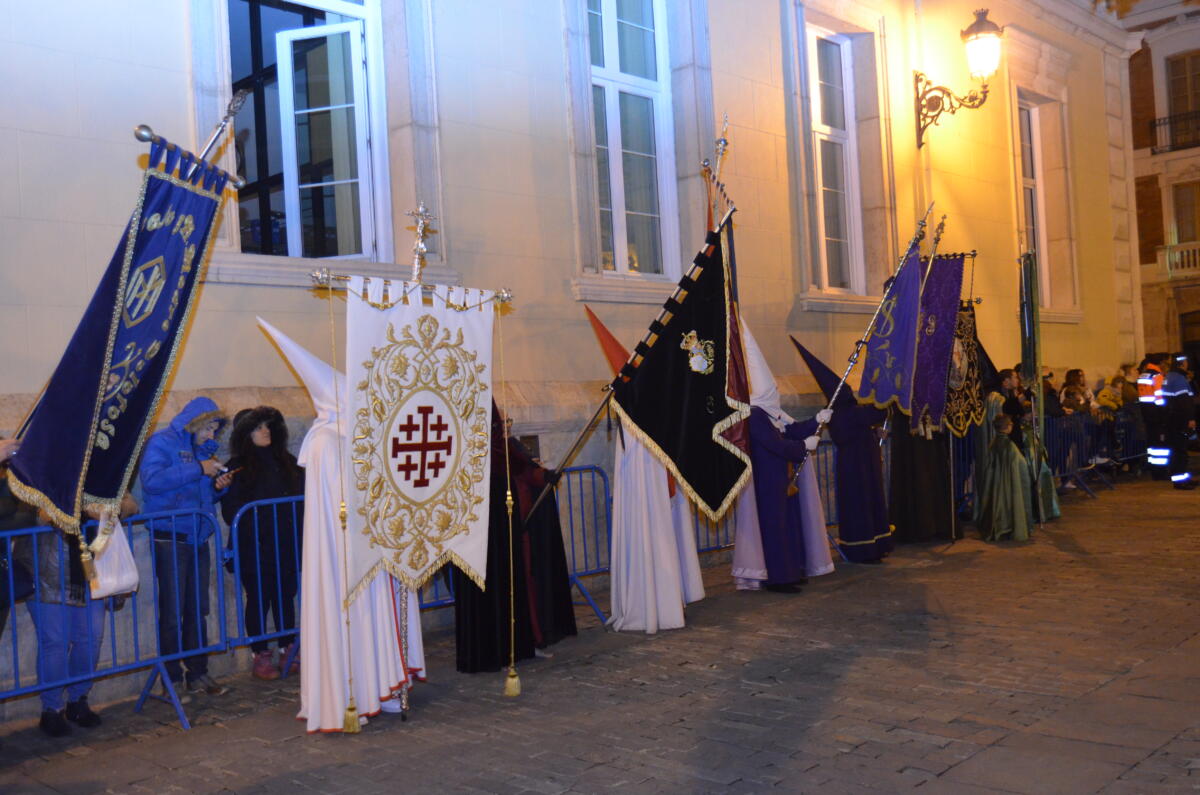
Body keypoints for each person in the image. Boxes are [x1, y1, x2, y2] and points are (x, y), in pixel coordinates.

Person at [259, 319, 423, 732]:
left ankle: (382, 688)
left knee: (377, 618)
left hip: (372, 542)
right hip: (346, 548)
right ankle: (354, 694)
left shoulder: (356, 433)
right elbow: (343, 500)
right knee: (354, 619)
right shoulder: (324, 441)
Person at [139, 397, 233, 702]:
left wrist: (218, 487)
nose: (211, 434)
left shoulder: (203, 452)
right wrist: (197, 469)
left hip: (197, 535)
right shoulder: (162, 443)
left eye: (215, 429)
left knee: (197, 609)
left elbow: (203, 494)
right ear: (194, 423)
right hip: (170, 536)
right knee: (172, 612)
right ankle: (171, 679)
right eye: (207, 428)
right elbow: (152, 481)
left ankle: (197, 672)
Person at [26, 494, 138, 737]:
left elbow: (131, 505)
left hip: (91, 571)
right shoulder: (39, 476)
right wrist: (86, 509)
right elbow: (41, 515)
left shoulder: (101, 477)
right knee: (54, 643)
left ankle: (78, 700)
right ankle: (51, 709)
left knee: (90, 640)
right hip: (49, 573)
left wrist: (109, 509)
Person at [453, 405, 542, 671]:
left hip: (494, 510)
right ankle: (494, 651)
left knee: (504, 577)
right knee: (491, 578)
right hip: (484, 513)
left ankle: (509, 647)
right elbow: (502, 455)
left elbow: (511, 459)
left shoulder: (497, 448)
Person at [220, 406, 304, 680]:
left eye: (268, 425)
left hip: (285, 542)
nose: (265, 431)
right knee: (258, 598)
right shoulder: (237, 467)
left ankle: (287, 648)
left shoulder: (288, 461)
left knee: (285, 595)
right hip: (254, 546)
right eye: (257, 427)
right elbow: (231, 511)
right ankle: (260, 654)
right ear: (246, 434)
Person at [794, 340, 892, 564]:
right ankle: (866, 549)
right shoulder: (848, 412)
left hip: (857, 463)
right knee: (862, 504)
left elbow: (860, 427)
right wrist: (886, 389)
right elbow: (877, 412)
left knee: (864, 503)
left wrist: (874, 431)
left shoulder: (841, 413)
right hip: (858, 466)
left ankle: (872, 546)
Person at [977, 414, 1034, 542]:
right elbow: (1020, 463)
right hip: (1008, 483)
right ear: (1008, 427)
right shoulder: (1009, 445)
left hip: (996, 483)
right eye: (1010, 424)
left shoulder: (993, 443)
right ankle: (1007, 525)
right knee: (1008, 501)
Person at [1162, 354, 1196, 489]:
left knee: (1177, 450)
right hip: (1179, 419)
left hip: (1171, 419)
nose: (1187, 364)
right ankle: (1180, 482)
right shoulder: (1179, 379)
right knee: (1180, 451)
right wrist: (1190, 418)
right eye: (1186, 361)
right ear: (1182, 363)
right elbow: (1184, 402)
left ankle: (1182, 479)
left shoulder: (1169, 376)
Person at [1138, 354, 1170, 480]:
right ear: (1160, 363)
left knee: (1152, 443)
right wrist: (1165, 413)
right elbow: (1160, 397)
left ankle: (1154, 470)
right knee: (1160, 444)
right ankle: (1161, 472)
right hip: (1157, 414)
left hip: (1146, 413)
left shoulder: (1142, 375)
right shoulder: (1157, 376)